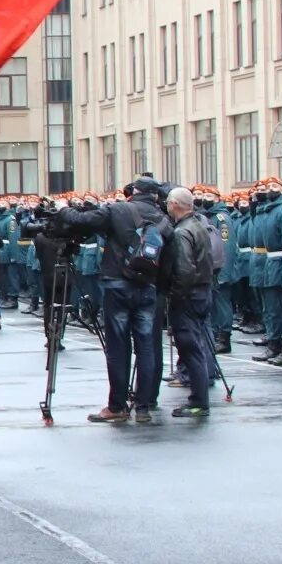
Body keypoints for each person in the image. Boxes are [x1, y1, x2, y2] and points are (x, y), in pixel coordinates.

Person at [55, 179, 171, 423]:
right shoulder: (163, 217)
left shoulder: (118, 209)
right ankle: (143, 407)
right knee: (146, 347)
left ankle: (117, 406)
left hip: (118, 284)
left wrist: (62, 208)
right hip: (148, 286)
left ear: (135, 192)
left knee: (118, 347)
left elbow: (81, 220)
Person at [162, 187, 217, 418]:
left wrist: (175, 295)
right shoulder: (198, 225)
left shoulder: (182, 232)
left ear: (174, 205)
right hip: (202, 291)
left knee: (191, 348)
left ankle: (198, 401)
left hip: (190, 295)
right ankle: (199, 398)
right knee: (196, 347)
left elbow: (185, 269)